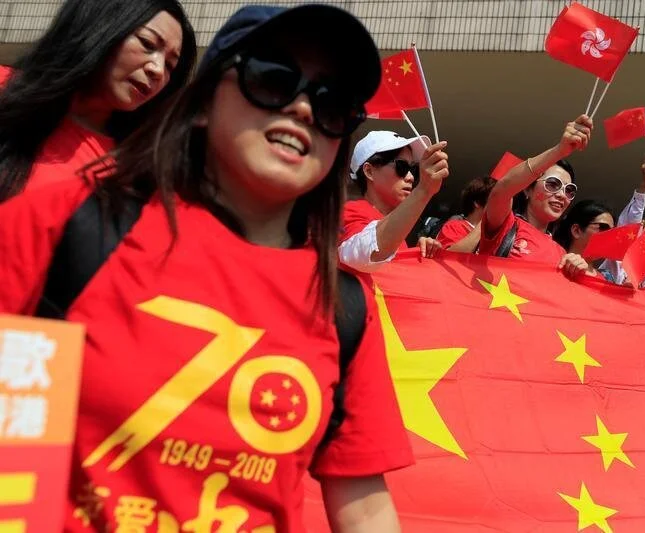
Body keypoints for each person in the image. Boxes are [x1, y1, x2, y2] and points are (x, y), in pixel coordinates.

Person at [0, 5, 411, 532]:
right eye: (273, 79)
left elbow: (364, 504)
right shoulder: (71, 227)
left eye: (332, 104)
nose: (304, 108)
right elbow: (16, 449)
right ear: (201, 104)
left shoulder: (344, 307)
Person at [0, 0, 196, 201]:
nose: (157, 70)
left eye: (170, 66)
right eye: (147, 44)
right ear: (102, 28)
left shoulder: (131, 171)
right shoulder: (4, 87)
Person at [479, 114, 595, 278]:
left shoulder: (561, 253)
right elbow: (501, 190)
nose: (562, 195)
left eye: (569, 190)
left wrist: (576, 269)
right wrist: (559, 150)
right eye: (553, 184)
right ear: (527, 190)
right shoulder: (505, 224)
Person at [339, 130, 449, 272]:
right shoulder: (349, 211)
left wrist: (417, 254)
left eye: (413, 169)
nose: (411, 177)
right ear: (369, 171)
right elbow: (364, 253)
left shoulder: (395, 231)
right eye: (401, 167)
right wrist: (423, 190)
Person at [553, 155, 645, 283]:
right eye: (602, 227)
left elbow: (628, 229)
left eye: (612, 231)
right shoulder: (550, 263)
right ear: (576, 230)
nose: (609, 235)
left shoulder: (606, 281)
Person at [437, 175, 496, 253]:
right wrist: (485, 222)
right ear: (477, 203)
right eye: (495, 199)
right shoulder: (453, 227)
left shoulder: (499, 232)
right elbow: (450, 256)